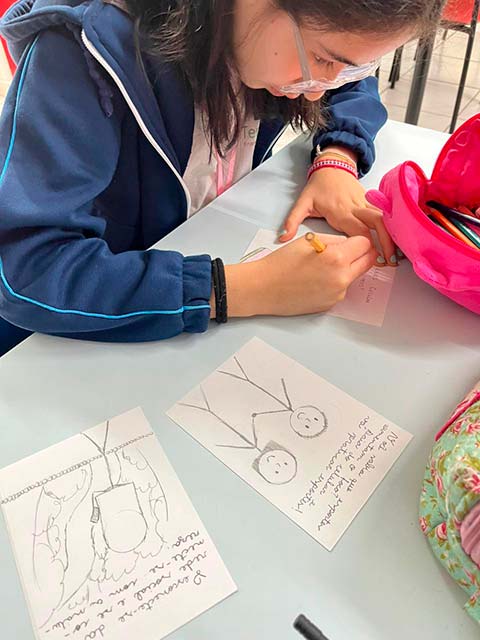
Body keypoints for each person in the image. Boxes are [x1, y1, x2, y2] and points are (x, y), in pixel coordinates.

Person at [0, 0, 443, 350]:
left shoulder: (270, 39)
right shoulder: (83, 51)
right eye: (323, 60)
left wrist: (338, 157)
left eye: (353, 64)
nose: (320, 89)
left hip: (193, 267)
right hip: (67, 340)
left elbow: (351, 81)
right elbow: (25, 271)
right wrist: (243, 289)